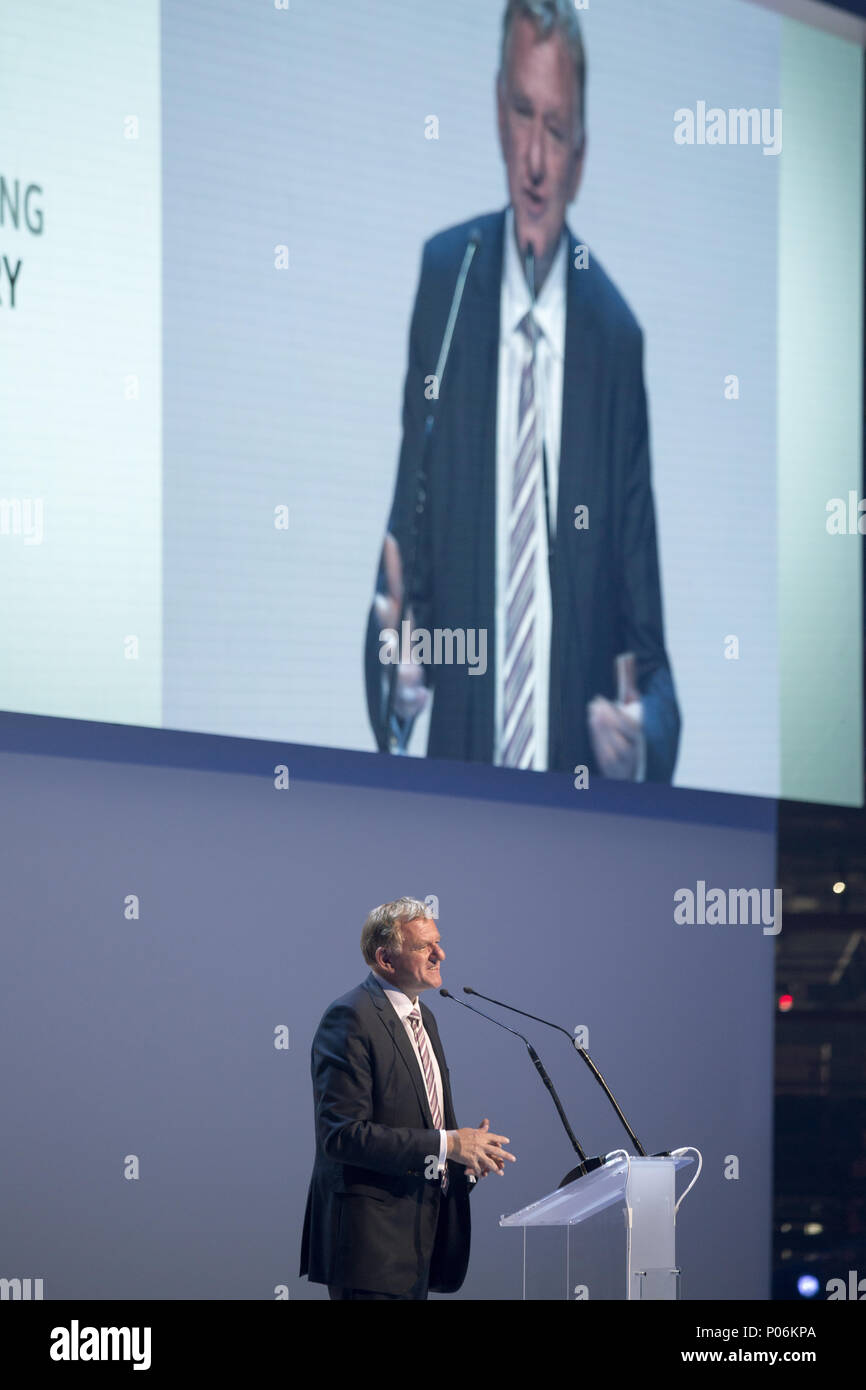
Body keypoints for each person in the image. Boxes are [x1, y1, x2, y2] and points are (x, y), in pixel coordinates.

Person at [365, 0, 680, 781]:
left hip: (577, 829)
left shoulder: (614, 340)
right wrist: (398, 680)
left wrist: (640, 736)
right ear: (496, 111)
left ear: (581, 154)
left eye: (558, 130)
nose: (535, 159)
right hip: (461, 810)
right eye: (521, 115)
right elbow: (405, 587)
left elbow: (653, 668)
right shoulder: (448, 284)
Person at [299, 897, 515, 1300]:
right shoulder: (350, 1017)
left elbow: (424, 1122)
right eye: (423, 946)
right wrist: (450, 1143)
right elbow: (343, 1135)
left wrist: (463, 1157)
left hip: (421, 1239)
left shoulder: (424, 1017)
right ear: (385, 958)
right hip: (370, 1248)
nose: (440, 954)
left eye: (438, 942)